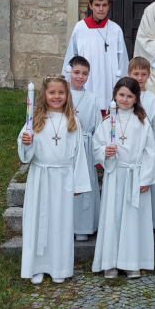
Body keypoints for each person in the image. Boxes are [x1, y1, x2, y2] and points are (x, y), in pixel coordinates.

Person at [17, 75, 92, 284]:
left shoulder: (72, 121)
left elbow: (79, 154)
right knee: (38, 221)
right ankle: (36, 267)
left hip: (63, 178)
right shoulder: (35, 120)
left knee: (60, 222)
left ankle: (59, 267)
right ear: (44, 94)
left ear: (67, 95)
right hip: (40, 177)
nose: (56, 96)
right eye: (52, 92)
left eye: (61, 92)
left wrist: (79, 182)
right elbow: (26, 153)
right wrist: (26, 143)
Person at [91, 77, 155, 279]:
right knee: (113, 217)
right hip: (115, 174)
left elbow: (150, 151)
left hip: (136, 175)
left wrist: (146, 178)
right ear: (114, 95)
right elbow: (96, 146)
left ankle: (132, 262)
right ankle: (110, 262)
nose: (124, 99)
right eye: (121, 95)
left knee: (133, 219)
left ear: (136, 98)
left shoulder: (142, 121)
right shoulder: (107, 121)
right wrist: (105, 151)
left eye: (129, 96)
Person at [63, 0, 128, 113]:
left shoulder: (115, 30)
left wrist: (123, 86)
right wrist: (67, 82)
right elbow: (71, 57)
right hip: (86, 82)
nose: (101, 9)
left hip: (108, 84)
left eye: (104, 5)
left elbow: (123, 61)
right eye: (97, 5)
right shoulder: (80, 28)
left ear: (108, 6)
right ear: (90, 6)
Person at [127, 57, 155, 229]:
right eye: (136, 74)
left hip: (146, 152)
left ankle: (149, 223)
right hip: (127, 152)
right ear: (129, 73)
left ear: (149, 75)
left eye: (143, 74)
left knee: (146, 189)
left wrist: (152, 151)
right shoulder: (124, 96)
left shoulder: (152, 99)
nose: (140, 78)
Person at [67, 56, 101, 241]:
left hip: (86, 146)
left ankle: (83, 227)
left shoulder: (92, 98)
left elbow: (97, 128)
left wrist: (95, 153)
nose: (80, 77)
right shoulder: (63, 95)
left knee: (84, 185)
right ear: (69, 72)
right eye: (76, 72)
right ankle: (67, 226)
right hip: (67, 147)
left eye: (85, 73)